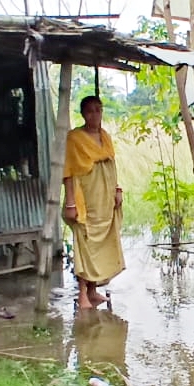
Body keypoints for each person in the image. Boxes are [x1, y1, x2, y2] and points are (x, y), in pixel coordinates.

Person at [63, 95, 125, 310]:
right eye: (90, 110)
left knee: (101, 244)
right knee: (85, 241)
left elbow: (112, 165)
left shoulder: (105, 136)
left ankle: (92, 291)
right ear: (82, 113)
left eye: (98, 109)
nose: (95, 114)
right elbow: (69, 172)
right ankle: (82, 294)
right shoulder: (74, 138)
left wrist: (117, 189)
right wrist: (70, 202)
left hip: (105, 198)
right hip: (85, 196)